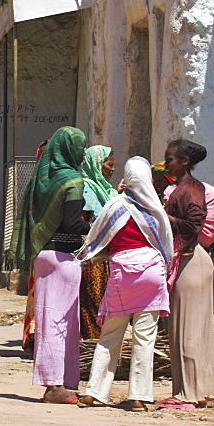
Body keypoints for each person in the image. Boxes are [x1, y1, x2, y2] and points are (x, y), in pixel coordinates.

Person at [76, 157, 174, 411]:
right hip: (152, 272)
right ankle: (139, 397)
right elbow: (166, 244)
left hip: (122, 274)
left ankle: (95, 393)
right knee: (145, 338)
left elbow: (98, 238)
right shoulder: (155, 207)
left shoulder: (116, 205)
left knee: (110, 335)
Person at [12, 126, 89, 404]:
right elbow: (71, 223)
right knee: (60, 323)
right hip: (63, 259)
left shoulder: (41, 178)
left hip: (42, 255)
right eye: (80, 148)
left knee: (51, 320)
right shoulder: (73, 180)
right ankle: (54, 386)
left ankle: (65, 382)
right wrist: (95, 226)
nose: (81, 153)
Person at [159, 138, 214, 410]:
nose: (166, 162)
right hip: (187, 261)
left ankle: (188, 395)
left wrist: (162, 216)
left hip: (191, 262)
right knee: (191, 329)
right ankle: (196, 391)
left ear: (184, 162)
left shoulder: (191, 189)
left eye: (170, 159)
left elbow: (193, 227)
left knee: (188, 331)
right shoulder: (179, 188)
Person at [78, 145, 119, 340]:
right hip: (92, 253)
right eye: (109, 165)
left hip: (105, 252)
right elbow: (89, 221)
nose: (112, 169)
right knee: (92, 300)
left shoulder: (105, 189)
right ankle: (92, 343)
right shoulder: (87, 188)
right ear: (96, 164)